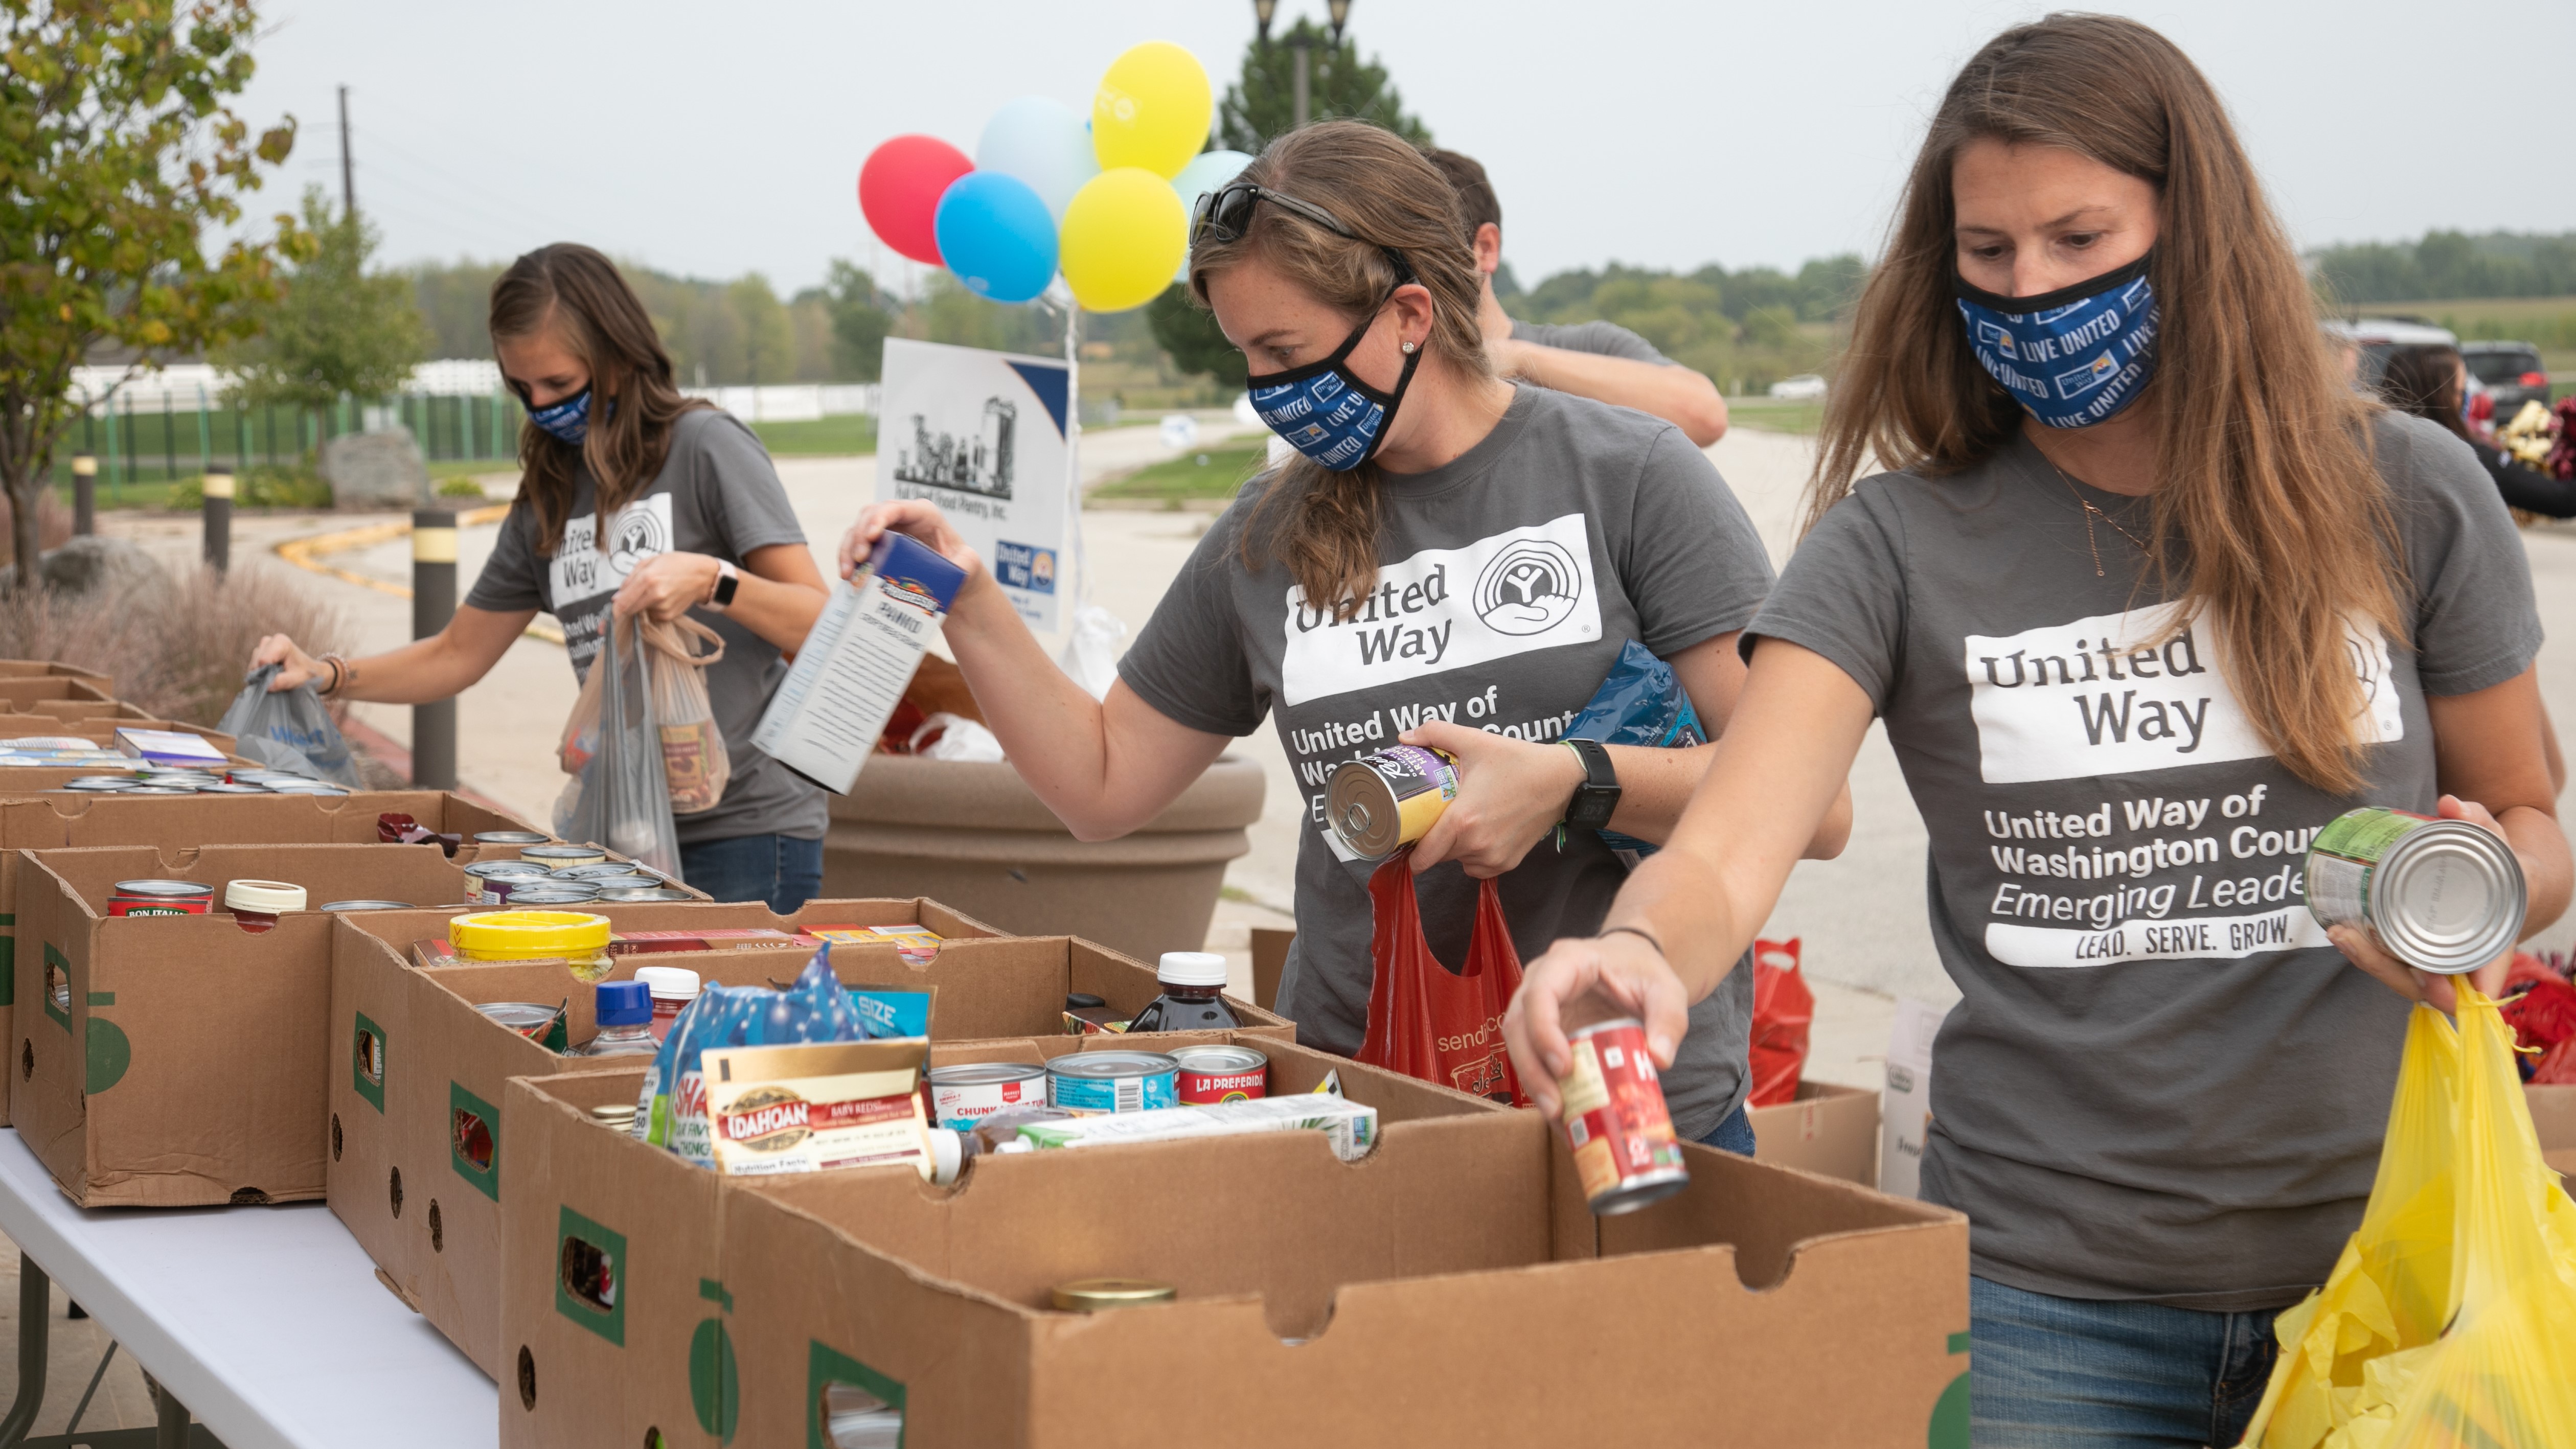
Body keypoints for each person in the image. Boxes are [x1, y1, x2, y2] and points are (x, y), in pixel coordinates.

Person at [1497, 16, 2567, 1448]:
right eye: (1986, 256)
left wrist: (2466, 899)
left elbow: (2524, 821)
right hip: (2041, 1308)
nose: (2031, 291)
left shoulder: (2407, 492)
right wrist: (1628, 954)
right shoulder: (1890, 543)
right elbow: (1732, 845)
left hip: (2396, 1264)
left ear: (2192, 231)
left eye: (2075, 239)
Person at [843, 120, 1847, 1153]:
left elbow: (1809, 803)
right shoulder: (1264, 534)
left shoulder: (1625, 473)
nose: (1266, 388)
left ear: (1408, 312)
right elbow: (1101, 783)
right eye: (1245, 356)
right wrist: (969, 603)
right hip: (1369, 1102)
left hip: (1619, 1094)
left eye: (1284, 350)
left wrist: (1571, 776)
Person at [252, 244, 832, 911]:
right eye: (521, 388)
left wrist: (713, 580)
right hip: (626, 832)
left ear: (616, 355)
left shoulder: (704, 446)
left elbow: (819, 618)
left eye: (558, 384)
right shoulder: (548, 495)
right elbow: (457, 652)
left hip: (749, 829)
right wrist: (326, 674)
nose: (540, 405)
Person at [1422, 148, 1730, 445]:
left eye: (1424, 245)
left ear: (1486, 248)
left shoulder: (1592, 348)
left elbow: (1705, 416)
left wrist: (1517, 359)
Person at [2378, 341, 2576, 518]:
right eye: (2462, 390)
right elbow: (2564, 500)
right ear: (2443, 399)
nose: (2468, 398)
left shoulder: (2376, 455)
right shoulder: (2471, 458)